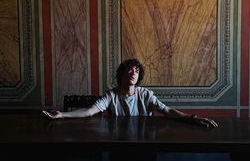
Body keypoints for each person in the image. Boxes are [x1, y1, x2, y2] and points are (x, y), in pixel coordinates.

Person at [43, 58, 217, 128]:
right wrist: (61, 115)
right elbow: (89, 111)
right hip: (119, 143)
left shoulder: (145, 94)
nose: (134, 73)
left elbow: (168, 111)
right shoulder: (111, 96)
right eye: (129, 70)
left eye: (136, 70)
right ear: (121, 74)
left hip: (144, 143)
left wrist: (193, 118)